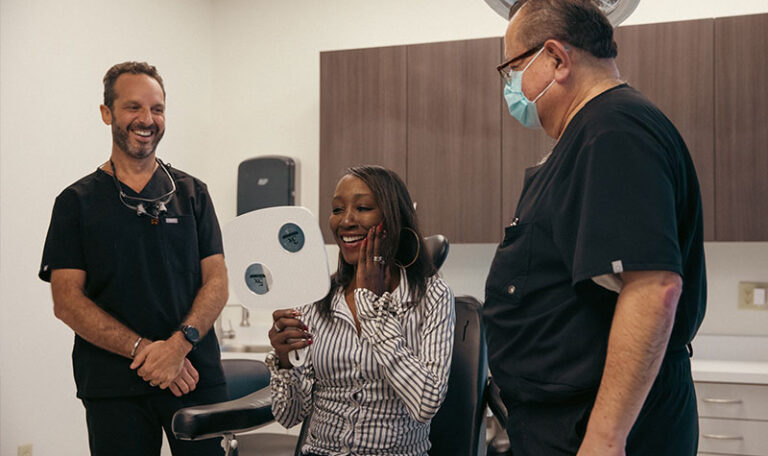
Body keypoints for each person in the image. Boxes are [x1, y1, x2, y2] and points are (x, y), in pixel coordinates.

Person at [483, 1, 707, 455]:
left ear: (556, 59)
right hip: (561, 418)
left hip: (596, 430)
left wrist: (606, 439)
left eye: (513, 69)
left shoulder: (613, 130)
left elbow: (653, 287)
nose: (512, 86)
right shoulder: (591, 132)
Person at [39, 61, 229, 456]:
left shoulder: (192, 194)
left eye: (157, 109)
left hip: (193, 375)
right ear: (106, 112)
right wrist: (145, 351)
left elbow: (217, 281)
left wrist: (178, 347)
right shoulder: (76, 203)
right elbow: (66, 300)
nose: (147, 119)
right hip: (114, 385)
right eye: (133, 107)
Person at [266, 165, 455, 456]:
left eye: (363, 208)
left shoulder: (433, 295)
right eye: (337, 209)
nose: (346, 221)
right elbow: (288, 416)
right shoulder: (317, 298)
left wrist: (372, 310)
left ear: (394, 219)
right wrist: (285, 362)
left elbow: (425, 403)